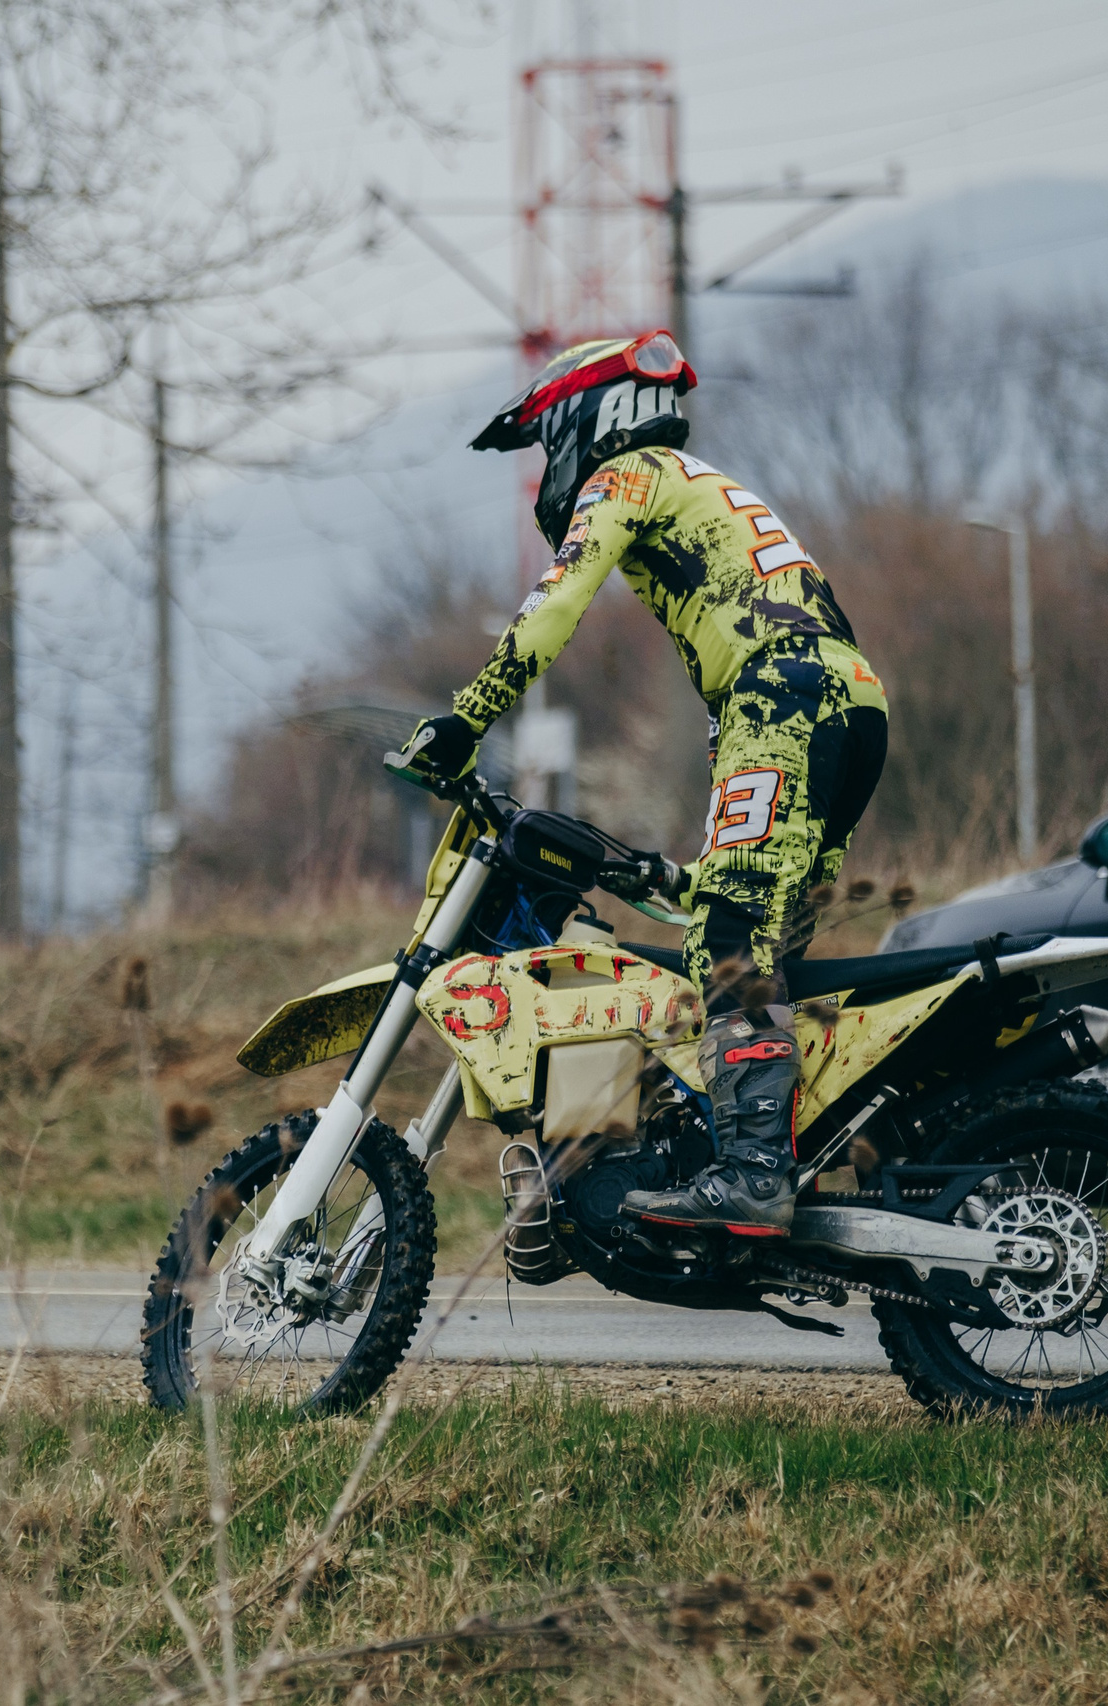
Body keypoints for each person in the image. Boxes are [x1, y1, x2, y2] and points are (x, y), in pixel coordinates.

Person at [389, 331, 889, 1235]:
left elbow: (557, 602)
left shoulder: (629, 474)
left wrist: (467, 720)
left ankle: (752, 1177)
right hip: (847, 698)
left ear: (589, 416)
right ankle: (781, 1161)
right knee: (767, 940)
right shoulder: (700, 483)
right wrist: (665, 878)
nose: (551, 467)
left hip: (779, 695)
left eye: (551, 441)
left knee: (731, 943)